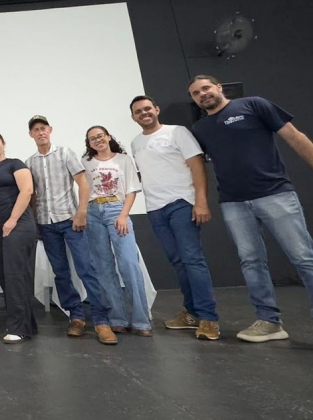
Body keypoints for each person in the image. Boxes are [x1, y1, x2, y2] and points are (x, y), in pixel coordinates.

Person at [189, 75, 313, 342]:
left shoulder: (254, 105)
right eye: (196, 93)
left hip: (275, 193)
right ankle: (269, 321)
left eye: (206, 88)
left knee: (304, 257)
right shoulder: (200, 128)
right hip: (233, 202)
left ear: (219, 87)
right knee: (251, 262)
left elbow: (294, 137)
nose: (202, 94)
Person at [130, 95, 220, 340]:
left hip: (181, 203)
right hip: (155, 209)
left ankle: (209, 318)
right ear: (133, 117)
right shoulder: (136, 143)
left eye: (147, 108)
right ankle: (192, 313)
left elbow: (197, 166)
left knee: (192, 260)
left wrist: (201, 201)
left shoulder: (177, 132)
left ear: (157, 109)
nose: (144, 113)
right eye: (138, 111)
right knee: (178, 262)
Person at [25, 115, 117, 345]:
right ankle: (76, 316)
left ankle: (101, 320)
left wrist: (81, 212)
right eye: (36, 130)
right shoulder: (30, 162)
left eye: (43, 128)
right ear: (31, 135)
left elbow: (83, 183)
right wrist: (35, 223)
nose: (40, 132)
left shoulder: (65, 153)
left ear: (50, 130)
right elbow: (32, 196)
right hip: (46, 224)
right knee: (61, 273)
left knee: (86, 268)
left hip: (70, 220)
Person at [82, 126, 152, 336]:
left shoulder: (123, 160)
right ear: (89, 143)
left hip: (116, 209)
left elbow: (131, 190)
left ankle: (141, 321)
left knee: (129, 264)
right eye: (92, 139)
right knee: (103, 267)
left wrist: (123, 215)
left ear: (108, 137)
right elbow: (84, 189)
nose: (97, 140)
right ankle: (117, 318)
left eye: (100, 136)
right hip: (93, 212)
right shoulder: (86, 162)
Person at [0, 132, 36, 344]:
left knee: (15, 275)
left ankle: (17, 328)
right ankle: (27, 324)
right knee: (4, 276)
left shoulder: (15, 164)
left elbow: (27, 190)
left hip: (18, 224)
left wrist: (12, 219)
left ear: (4, 144)